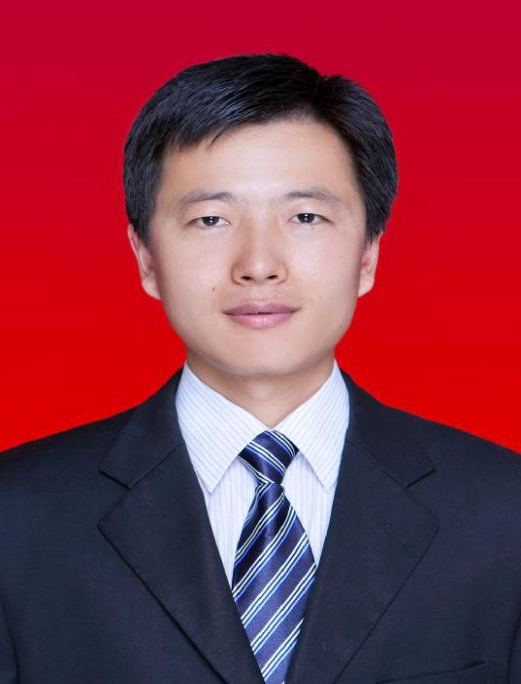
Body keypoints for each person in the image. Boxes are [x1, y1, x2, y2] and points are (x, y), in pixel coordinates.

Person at [0, 52, 520, 684]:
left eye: (305, 217)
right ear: (145, 258)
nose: (258, 265)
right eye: (210, 219)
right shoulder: (16, 515)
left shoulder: (504, 512)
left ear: (368, 254)